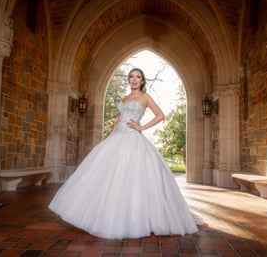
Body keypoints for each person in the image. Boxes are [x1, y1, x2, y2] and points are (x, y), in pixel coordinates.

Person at [49, 68, 205, 239]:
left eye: (138, 77)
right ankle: (110, 216)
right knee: (112, 178)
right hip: (118, 139)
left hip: (134, 140)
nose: (134, 79)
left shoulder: (145, 97)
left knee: (136, 179)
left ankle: (138, 218)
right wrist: (108, 139)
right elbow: (118, 121)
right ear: (128, 80)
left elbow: (160, 115)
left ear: (143, 81)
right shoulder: (124, 98)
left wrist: (141, 127)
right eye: (131, 76)